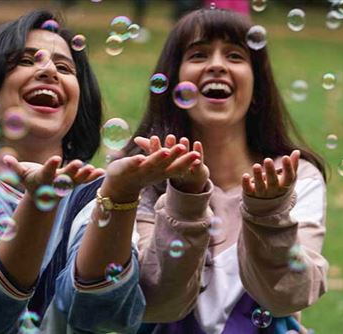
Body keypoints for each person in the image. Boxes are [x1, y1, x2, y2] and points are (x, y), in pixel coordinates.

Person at [0, 10, 199, 333]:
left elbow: (103, 314)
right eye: (26, 60)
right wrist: (39, 204)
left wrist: (119, 199)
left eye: (65, 67)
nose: (49, 70)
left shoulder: (92, 194)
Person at [124, 8, 329, 334]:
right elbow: (155, 300)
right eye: (199, 54)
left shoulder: (294, 177)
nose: (217, 65)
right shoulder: (143, 177)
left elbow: (289, 296)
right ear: (174, 78)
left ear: (257, 85)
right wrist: (185, 199)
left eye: (235, 56)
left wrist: (267, 212)